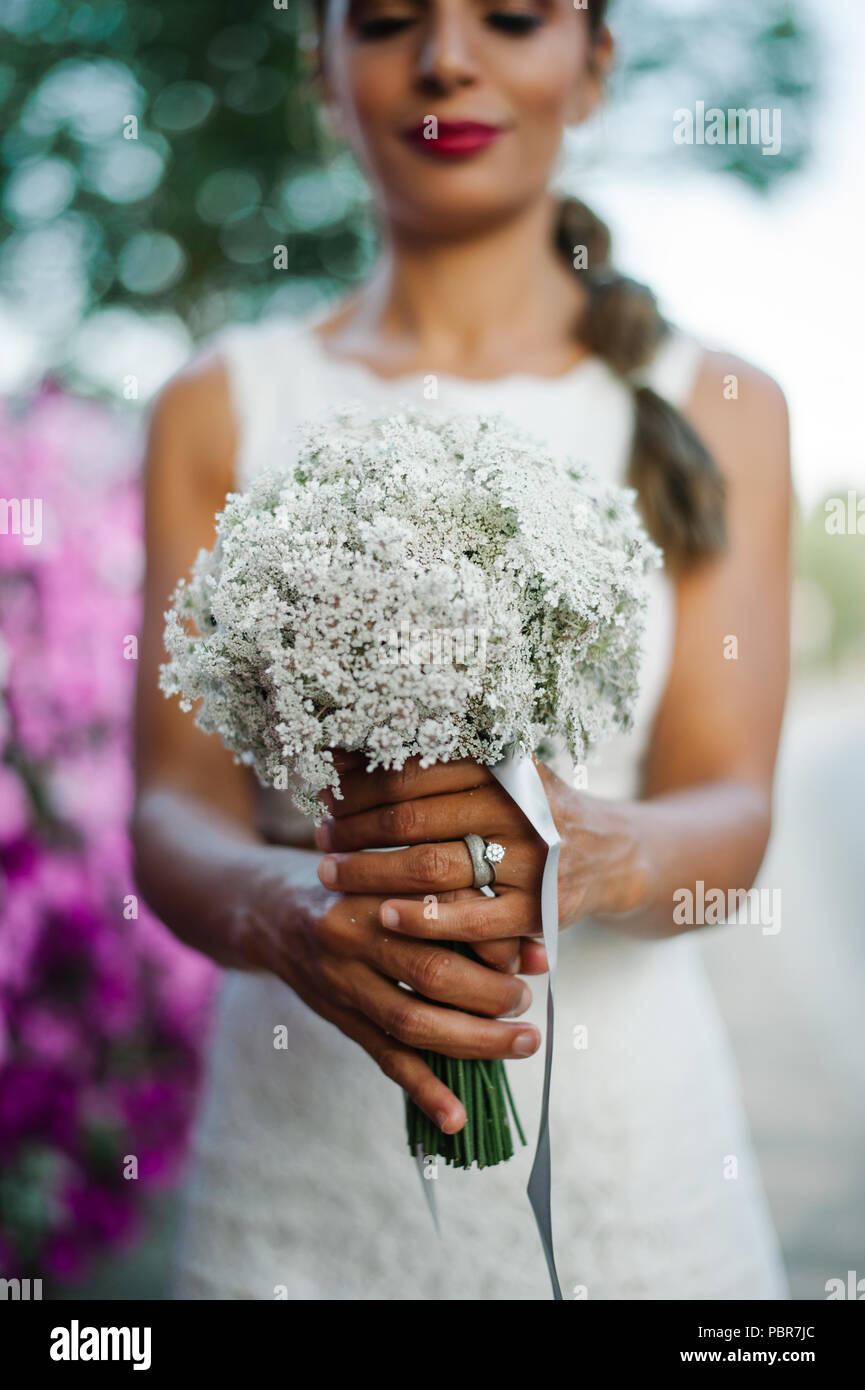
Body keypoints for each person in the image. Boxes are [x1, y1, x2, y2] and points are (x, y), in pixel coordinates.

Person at [133, 0, 791, 1299]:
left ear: (592, 64)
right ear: (320, 68)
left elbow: (732, 805)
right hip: (297, 1176)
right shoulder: (218, 403)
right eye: (382, 20)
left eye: (508, 15)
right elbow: (169, 805)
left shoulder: (721, 404)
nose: (444, 59)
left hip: (629, 1177)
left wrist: (595, 853)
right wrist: (287, 909)